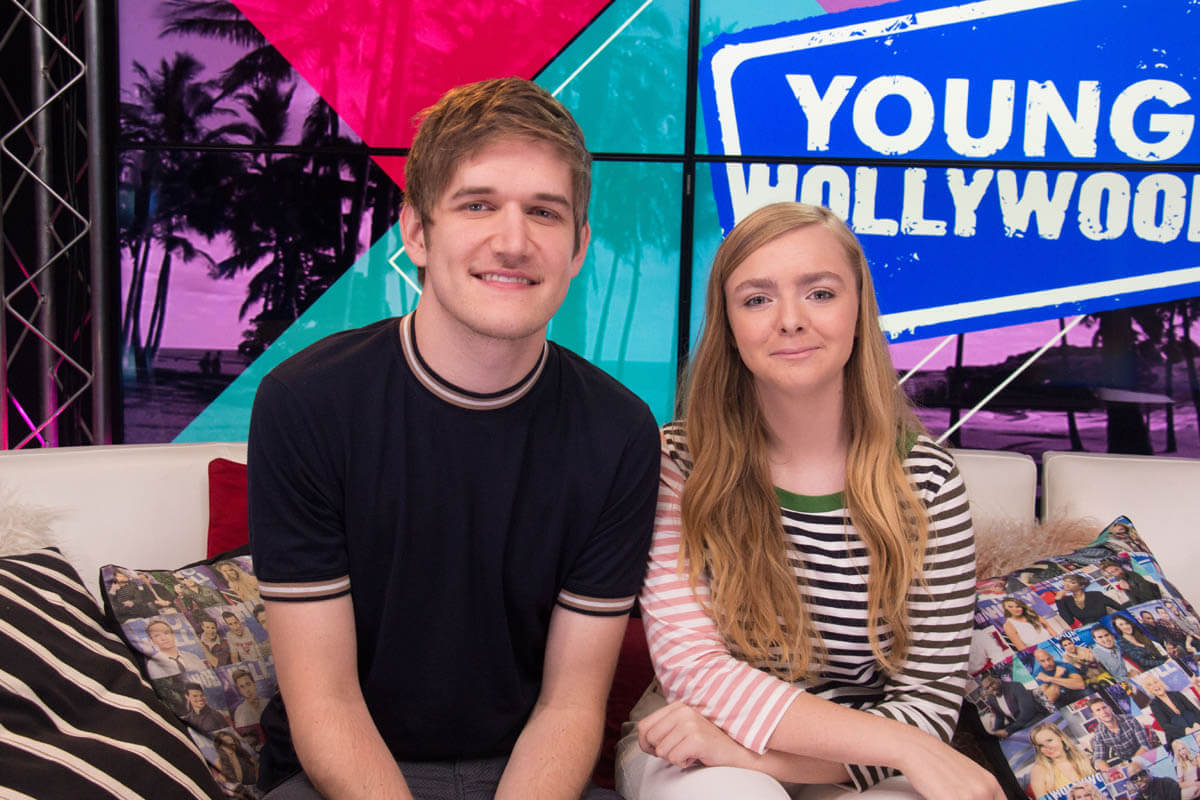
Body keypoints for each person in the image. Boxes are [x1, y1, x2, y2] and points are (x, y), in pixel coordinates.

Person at [247, 77, 659, 799]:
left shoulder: (620, 432)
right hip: (343, 774)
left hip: (528, 773)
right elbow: (327, 703)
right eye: (478, 204)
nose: (514, 241)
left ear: (578, 247)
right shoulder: (306, 403)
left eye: (544, 212)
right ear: (416, 233)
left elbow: (569, 705)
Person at [615, 203, 1000, 800]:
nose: (790, 321)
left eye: (820, 293)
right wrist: (903, 748)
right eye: (757, 299)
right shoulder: (678, 462)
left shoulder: (927, 480)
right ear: (729, 324)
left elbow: (927, 705)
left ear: (858, 311)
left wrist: (779, 760)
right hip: (690, 738)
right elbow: (696, 672)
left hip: (860, 760)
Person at [1027, 721, 1094, 797]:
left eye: (1049, 740)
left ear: (1060, 737)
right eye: (1041, 745)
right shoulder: (1039, 770)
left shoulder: (1083, 757)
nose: (1048, 748)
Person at [1087, 696, 1154, 769]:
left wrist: (1133, 764)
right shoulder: (1099, 733)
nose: (1103, 712)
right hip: (1125, 763)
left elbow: (1145, 745)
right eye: (1098, 710)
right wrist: (1107, 769)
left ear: (1110, 708)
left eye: (1104, 707)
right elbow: (1098, 758)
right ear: (1095, 715)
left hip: (1145, 757)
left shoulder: (1130, 720)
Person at [1139, 673, 1200, 743]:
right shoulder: (1154, 705)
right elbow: (1165, 725)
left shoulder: (1176, 694)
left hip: (1196, 724)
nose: (1154, 685)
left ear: (1161, 683)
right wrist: (1185, 730)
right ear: (1148, 690)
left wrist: (1196, 723)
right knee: (1176, 720)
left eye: (1155, 682)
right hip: (1179, 733)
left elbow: (1194, 710)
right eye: (1149, 685)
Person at [144, 618, 208, 679]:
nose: (163, 638)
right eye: (157, 635)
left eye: (166, 633)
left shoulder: (193, 657)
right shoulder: (153, 665)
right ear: (152, 640)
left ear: (173, 635)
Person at [1056, 574, 1122, 626]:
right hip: (1090, 630)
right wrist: (1058, 600)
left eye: (1072, 582)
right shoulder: (1065, 601)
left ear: (1082, 586)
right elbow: (1069, 621)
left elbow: (1118, 607)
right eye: (1065, 582)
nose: (1067, 584)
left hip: (1108, 624)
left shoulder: (1096, 594)